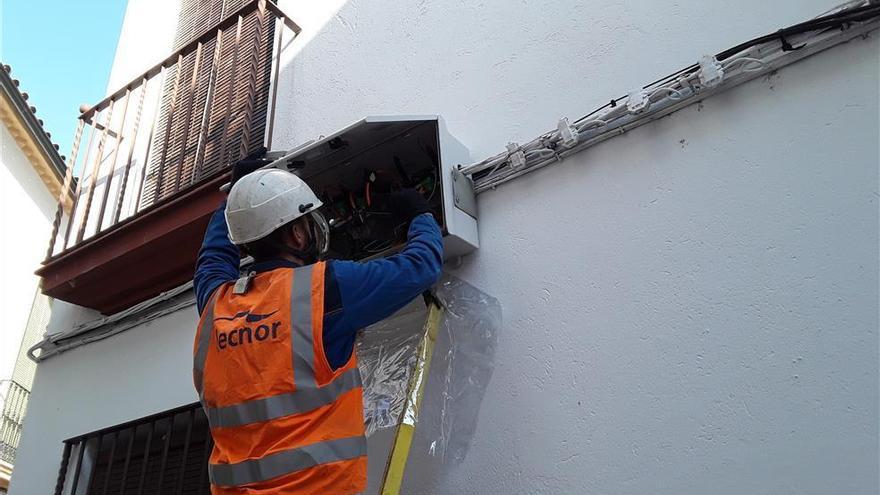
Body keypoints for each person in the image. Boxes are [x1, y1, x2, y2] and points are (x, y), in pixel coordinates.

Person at [192, 154, 443, 494]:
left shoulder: (215, 305)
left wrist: (239, 194)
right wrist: (419, 213)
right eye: (310, 222)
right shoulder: (323, 289)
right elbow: (421, 266)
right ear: (297, 235)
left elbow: (213, 257)